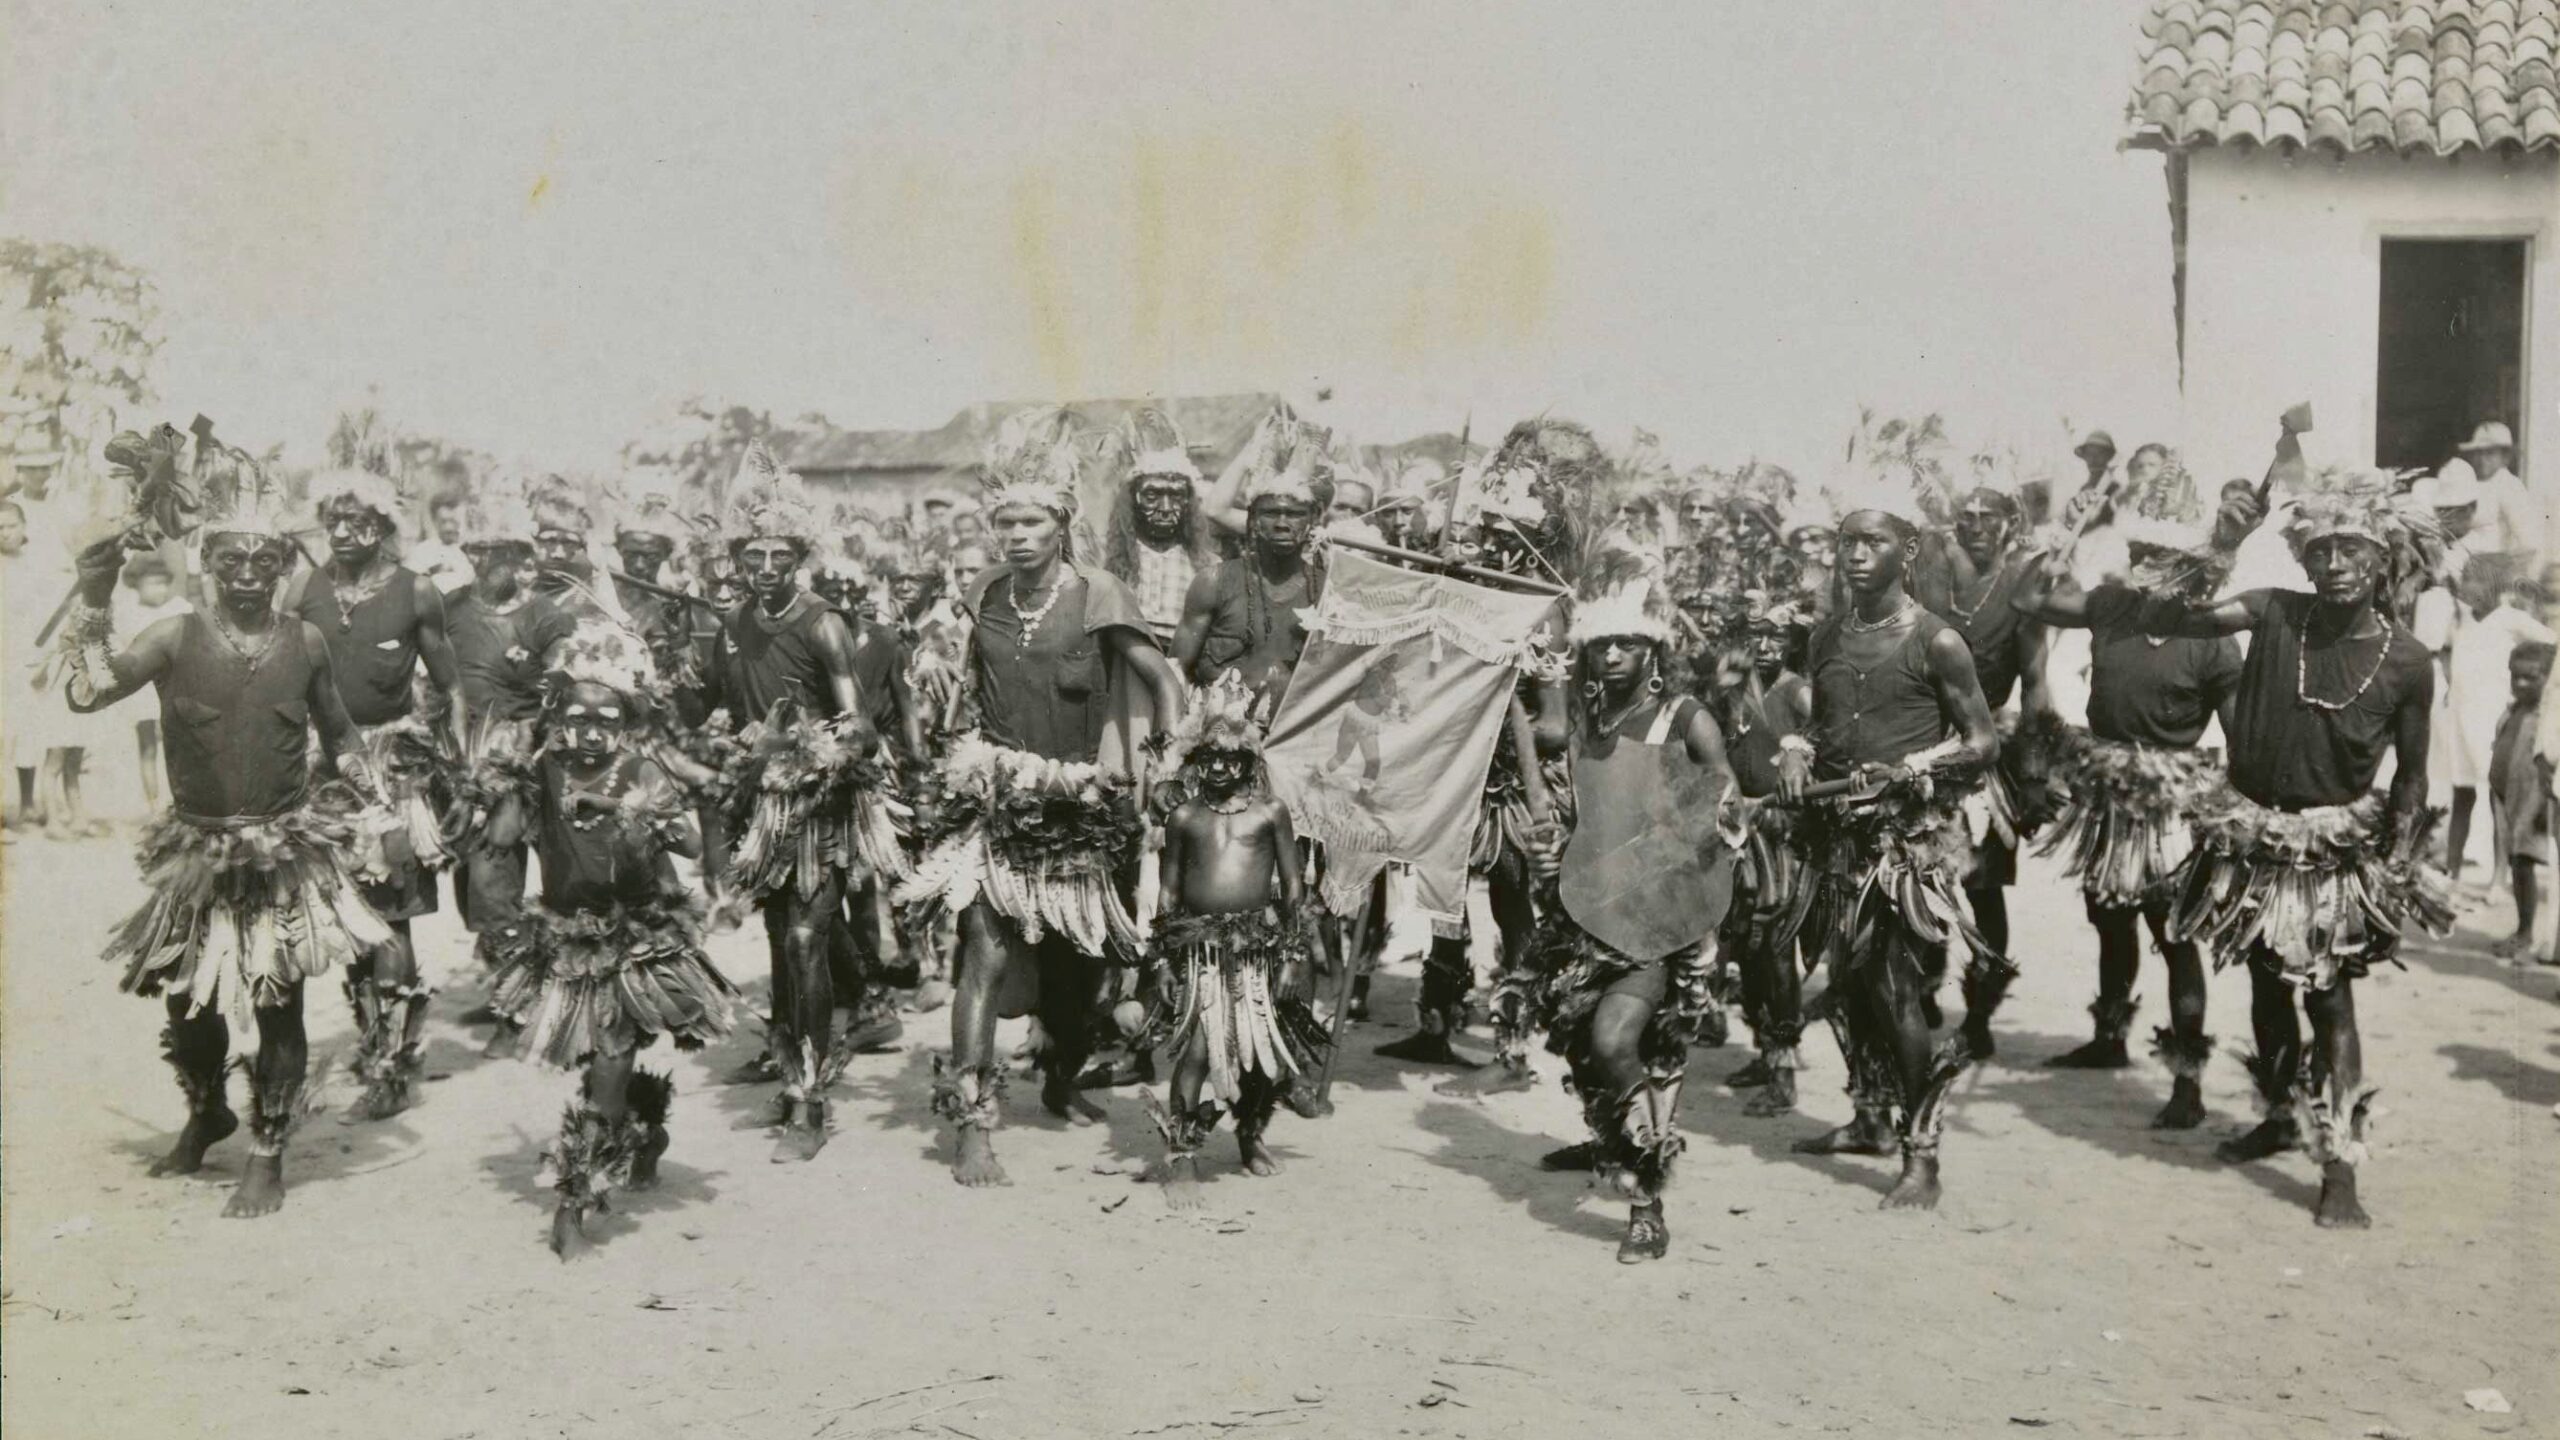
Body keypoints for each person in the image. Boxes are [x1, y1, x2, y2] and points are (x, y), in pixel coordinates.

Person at [55, 444, 390, 1218]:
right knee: (188, 1000)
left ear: (280, 567)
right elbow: (86, 693)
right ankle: (207, 1109)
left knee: (278, 1000)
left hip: (284, 851)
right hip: (197, 851)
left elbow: (338, 734)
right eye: (231, 559)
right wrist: (95, 593)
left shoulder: (304, 643)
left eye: (261, 560)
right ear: (208, 562)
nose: (246, 572)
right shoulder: (173, 636)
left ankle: (269, 1150)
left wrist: (375, 802)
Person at [2148, 425, 2448, 1228]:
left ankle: (2340, 1164)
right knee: (2263, 987)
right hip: (2249, 839)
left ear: (2383, 560)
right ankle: (2279, 1114)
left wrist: (2397, 864)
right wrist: (2223, 537)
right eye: (2321, 550)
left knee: (2330, 1001)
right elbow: (2173, 611)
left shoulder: (2411, 661)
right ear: (2303, 560)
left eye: (2353, 549)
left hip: (2332, 851)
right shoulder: (2274, 612)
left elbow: (2412, 777)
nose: (2337, 563)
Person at [895, 407, 1186, 1187]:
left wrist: (1163, 763)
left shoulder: (1099, 594)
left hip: (1085, 806)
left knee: (1076, 968)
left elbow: (1161, 682)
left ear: (1061, 524)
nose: (1018, 535)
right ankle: (973, 1125)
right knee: (984, 956)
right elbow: (963, 681)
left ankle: (1060, 1076)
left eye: (1033, 521)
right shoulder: (986, 592)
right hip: (997, 799)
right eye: (1006, 522)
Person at [476, 620, 736, 1258]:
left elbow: (692, 843)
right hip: (566, 932)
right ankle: (643, 1129)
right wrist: (511, 774)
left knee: (612, 1056)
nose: (589, 731)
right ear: (555, 717)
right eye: (575, 717)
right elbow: (504, 840)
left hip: (639, 933)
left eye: (605, 719)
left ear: (625, 725)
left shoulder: (641, 768)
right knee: (596, 1059)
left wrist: (624, 810)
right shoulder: (543, 767)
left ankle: (576, 1192)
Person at [1776, 507, 2004, 1211]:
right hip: (1835, 837)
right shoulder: (1826, 637)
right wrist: (1797, 751)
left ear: (1906, 553)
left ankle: (1922, 1152)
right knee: (1847, 984)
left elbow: (1983, 741)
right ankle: (1870, 1118)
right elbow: (1823, 721)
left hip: (1901, 846)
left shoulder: (1939, 642)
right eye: (1847, 541)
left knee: (1897, 993)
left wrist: (1915, 767)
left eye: (1874, 542)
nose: (1856, 554)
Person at [1524, 577, 1737, 1260]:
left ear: (1654, 651)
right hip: (1586, 913)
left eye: (1628, 644)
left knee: (1622, 1041)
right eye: (1601, 645)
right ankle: (1607, 1140)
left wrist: (1685, 839)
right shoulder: (1587, 723)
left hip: (1658, 917)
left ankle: (1646, 1201)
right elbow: (1574, 807)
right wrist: (1550, 839)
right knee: (1588, 1046)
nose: (1612, 655)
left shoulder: (1685, 718)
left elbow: (1726, 812)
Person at [2012, 508, 2243, 1128]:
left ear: (2191, 571)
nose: (2144, 567)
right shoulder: (2111, 605)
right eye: (2139, 553)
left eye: (2159, 558)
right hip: (2107, 790)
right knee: (2109, 918)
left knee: (2174, 937)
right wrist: (2053, 546)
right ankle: (2109, 1037)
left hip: (2172, 801)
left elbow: (2239, 737)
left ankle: (2187, 1082)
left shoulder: (2213, 638)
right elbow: (2028, 597)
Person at [710, 443, 907, 1163]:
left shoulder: (822, 622)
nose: (763, 568)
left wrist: (819, 750)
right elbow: (734, 704)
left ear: (797, 556)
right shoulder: (736, 622)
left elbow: (859, 722)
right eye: (751, 556)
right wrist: (736, 741)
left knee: (804, 939)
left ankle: (811, 1098)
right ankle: (792, 1055)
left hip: (823, 801)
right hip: (763, 806)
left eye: (776, 556)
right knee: (780, 941)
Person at [1381, 419, 1582, 1089]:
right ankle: (1436, 1025)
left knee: (1511, 902)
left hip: (1514, 784)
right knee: (1441, 900)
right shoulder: (1456, 595)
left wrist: (1498, 715)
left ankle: (1513, 1046)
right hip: (1455, 769)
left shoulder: (1542, 611)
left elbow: (1554, 727)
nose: (1492, 545)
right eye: (1485, 533)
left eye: (1506, 536)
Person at [283, 468, 461, 1121]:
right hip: (318, 769)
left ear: (384, 528)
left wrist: (446, 759)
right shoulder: (304, 588)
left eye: (360, 522)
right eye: (334, 521)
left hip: (388, 770)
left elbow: (452, 685)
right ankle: (372, 1038)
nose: (345, 533)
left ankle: (391, 1063)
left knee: (391, 914)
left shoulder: (417, 593)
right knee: (341, 916)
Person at [1139, 673, 1328, 1208]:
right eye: (1209, 756)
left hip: (1259, 947)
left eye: (1230, 757)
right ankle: (1181, 1155)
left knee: (1262, 1053)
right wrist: (1163, 959)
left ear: (1249, 761)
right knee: (1198, 1050)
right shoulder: (1184, 817)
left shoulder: (1270, 813)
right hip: (1200, 949)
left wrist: (1293, 955)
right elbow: (1170, 892)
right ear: (1197, 757)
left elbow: (1293, 886)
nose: (1219, 766)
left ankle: (1249, 1133)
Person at [1915, 481, 2057, 1058]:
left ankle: (1978, 1013)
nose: (1974, 524)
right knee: (1918, 879)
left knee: (1983, 890)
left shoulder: (2021, 587)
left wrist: (2038, 774)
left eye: (1987, 516)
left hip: (1988, 757)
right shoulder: (1930, 571)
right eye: (1965, 515)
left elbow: (2037, 683)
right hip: (1925, 746)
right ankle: (1923, 987)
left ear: (2009, 522)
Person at [1714, 601, 1814, 1116]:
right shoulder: (1735, 691)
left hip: (1780, 838)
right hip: (1741, 833)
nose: (1766, 648)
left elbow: (1826, 734)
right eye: (1756, 638)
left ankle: (1784, 1071)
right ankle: (1764, 1050)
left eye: (1776, 638)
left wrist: (1796, 755)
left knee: (1776, 951)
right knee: (1750, 949)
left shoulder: (1795, 689)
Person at [1172, 439, 1326, 703]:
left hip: (1293, 735)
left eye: (1294, 514)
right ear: (1252, 520)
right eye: (1271, 513)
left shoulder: (1326, 590)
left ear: (1313, 520)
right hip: (1219, 732)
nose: (1281, 524)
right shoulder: (1214, 582)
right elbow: (1176, 670)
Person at [1098, 406, 1218, 649]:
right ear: (1133, 498)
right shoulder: (1106, 558)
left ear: (1188, 501)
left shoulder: (1207, 565)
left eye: (1175, 496)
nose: (1165, 507)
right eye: (1153, 494)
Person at [2488, 640, 2556, 961]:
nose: (2521, 684)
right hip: (2506, 797)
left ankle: (2527, 933)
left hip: (2534, 801)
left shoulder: (2546, 719)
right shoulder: (2512, 709)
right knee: (2517, 861)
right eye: (2515, 676)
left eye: (2531, 677)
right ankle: (2524, 929)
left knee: (2525, 862)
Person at [120, 554, 192, 813]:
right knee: (148, 747)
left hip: (175, 686)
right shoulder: (127, 613)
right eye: (152, 583)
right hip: (143, 690)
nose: (160, 589)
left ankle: (182, 803)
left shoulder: (178, 608)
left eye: (163, 583)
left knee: (179, 747)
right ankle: (153, 807)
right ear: (136, 584)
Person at [407, 493, 475, 594]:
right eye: (443, 522)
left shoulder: (478, 550)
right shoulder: (421, 552)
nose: (449, 528)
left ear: (466, 521)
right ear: (434, 521)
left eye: (455, 522)